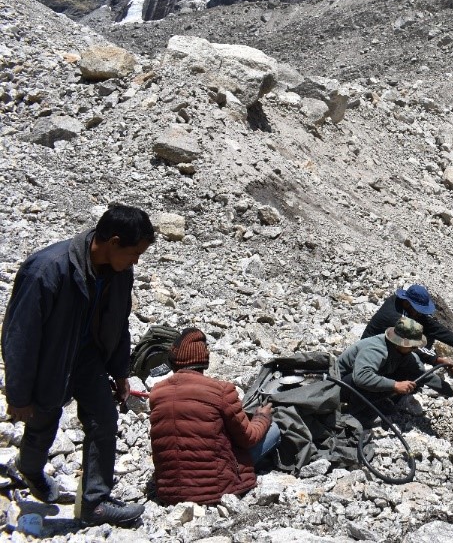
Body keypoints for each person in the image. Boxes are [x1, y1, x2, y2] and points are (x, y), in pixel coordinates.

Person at [1, 205, 154, 526]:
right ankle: (30, 468)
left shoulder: (120, 273)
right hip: (50, 361)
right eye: (134, 252)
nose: (136, 261)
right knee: (43, 422)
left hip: (89, 360)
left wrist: (121, 371)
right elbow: (19, 337)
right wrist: (18, 396)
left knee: (104, 419)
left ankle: (95, 503)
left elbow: (118, 322)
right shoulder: (48, 270)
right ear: (113, 242)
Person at [149, 328, 279, 505]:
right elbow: (249, 438)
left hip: (168, 493)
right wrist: (262, 418)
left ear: (174, 360)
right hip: (216, 491)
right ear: (204, 360)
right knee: (274, 429)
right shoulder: (221, 390)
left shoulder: (156, 393)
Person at [338, 316, 453, 423]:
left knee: (412, 379)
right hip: (341, 384)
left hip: (360, 380)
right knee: (371, 383)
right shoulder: (376, 350)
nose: (415, 349)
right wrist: (395, 385)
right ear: (400, 342)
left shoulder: (404, 353)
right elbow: (361, 377)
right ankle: (354, 413)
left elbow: (424, 375)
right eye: (412, 346)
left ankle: (372, 404)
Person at [361, 284, 453, 368]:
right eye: (418, 310)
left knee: (427, 334)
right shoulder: (394, 317)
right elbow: (412, 345)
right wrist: (437, 359)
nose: (420, 314)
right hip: (371, 355)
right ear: (407, 303)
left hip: (391, 346)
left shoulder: (403, 305)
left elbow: (434, 327)